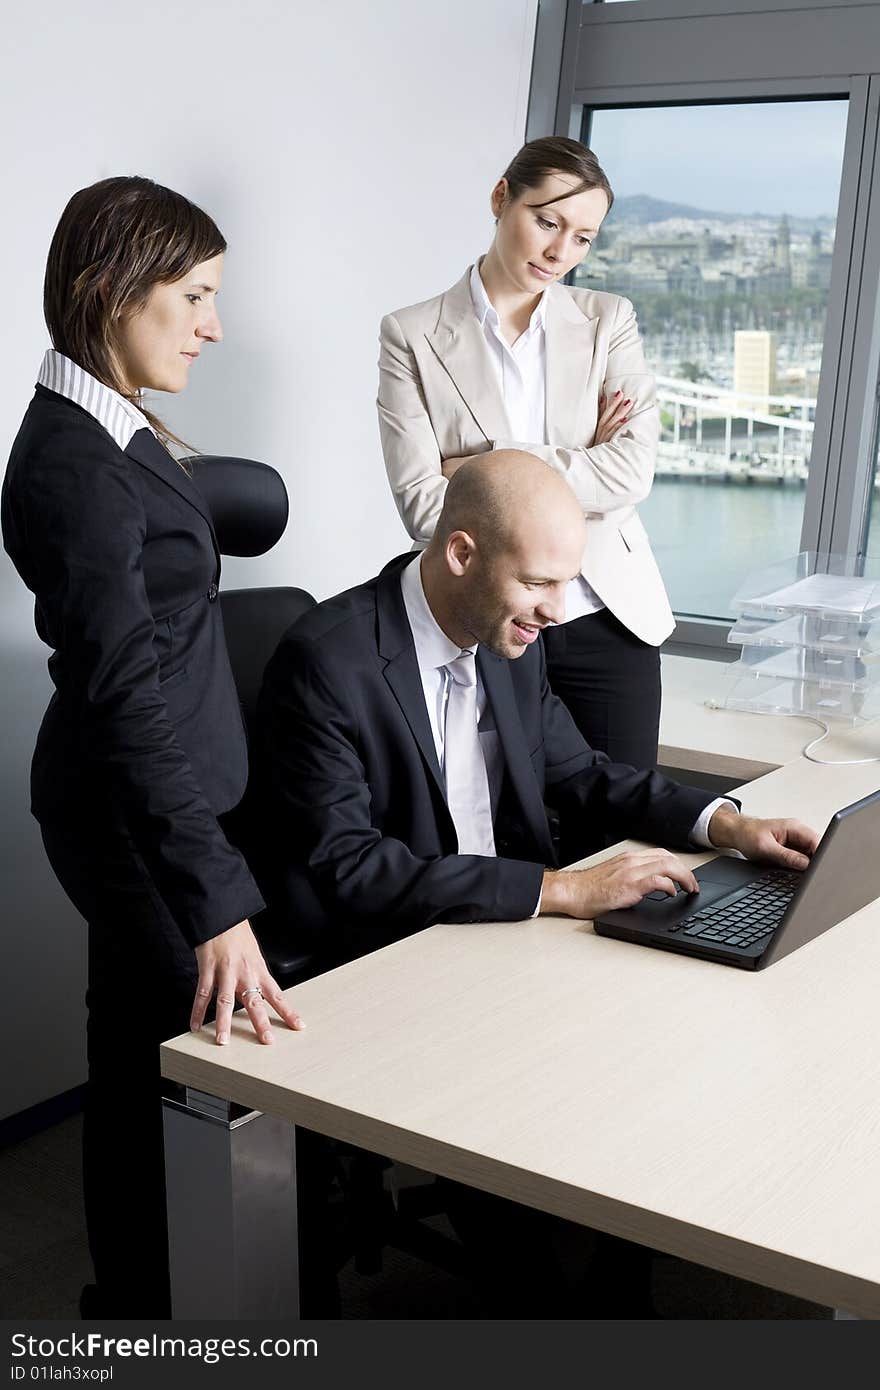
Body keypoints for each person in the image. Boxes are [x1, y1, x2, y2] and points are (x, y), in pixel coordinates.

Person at [259, 448, 818, 1315]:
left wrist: (725, 822)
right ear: (461, 554)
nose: (560, 612)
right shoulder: (326, 661)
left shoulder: (510, 642)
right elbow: (353, 870)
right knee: (521, 1135)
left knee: (659, 1056)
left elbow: (586, 771)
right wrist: (562, 890)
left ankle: (616, 1288)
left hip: (507, 934)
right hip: (391, 956)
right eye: (541, 584)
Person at [1, 176, 304, 1318]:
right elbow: (126, 696)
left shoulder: (110, 425)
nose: (213, 324)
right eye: (193, 295)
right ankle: (148, 1312)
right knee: (168, 1065)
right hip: (129, 810)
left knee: (138, 1054)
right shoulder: (76, 467)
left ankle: (134, 1302)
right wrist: (214, 901)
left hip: (156, 799)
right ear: (108, 289)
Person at [378, 136, 671, 812]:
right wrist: (574, 457)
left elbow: (631, 471)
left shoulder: (608, 322)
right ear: (500, 197)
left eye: (583, 238)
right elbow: (426, 509)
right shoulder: (413, 335)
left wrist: (494, 461)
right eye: (547, 221)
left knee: (624, 830)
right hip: (488, 619)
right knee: (506, 832)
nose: (560, 252)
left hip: (609, 617)